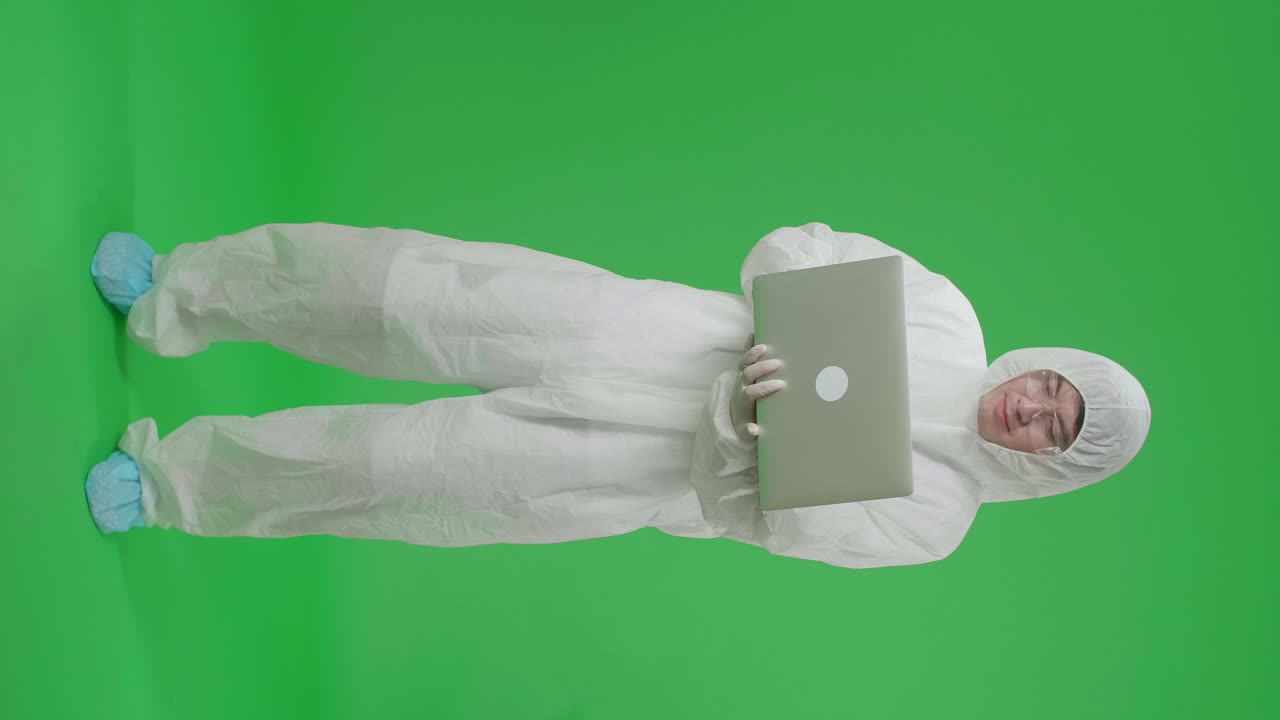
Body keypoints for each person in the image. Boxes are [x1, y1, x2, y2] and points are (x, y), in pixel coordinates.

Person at [85, 221, 1151, 569]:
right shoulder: (946, 316)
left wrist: (744, 428)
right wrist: (786, 321)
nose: (1032, 408)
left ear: (1044, 463)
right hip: (629, 329)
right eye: (1050, 389)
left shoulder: (936, 518)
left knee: (393, 473)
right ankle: (183, 289)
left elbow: (776, 523)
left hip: (618, 468)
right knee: (401, 291)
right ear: (1040, 364)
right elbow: (800, 242)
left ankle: (173, 486)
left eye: (1053, 430)